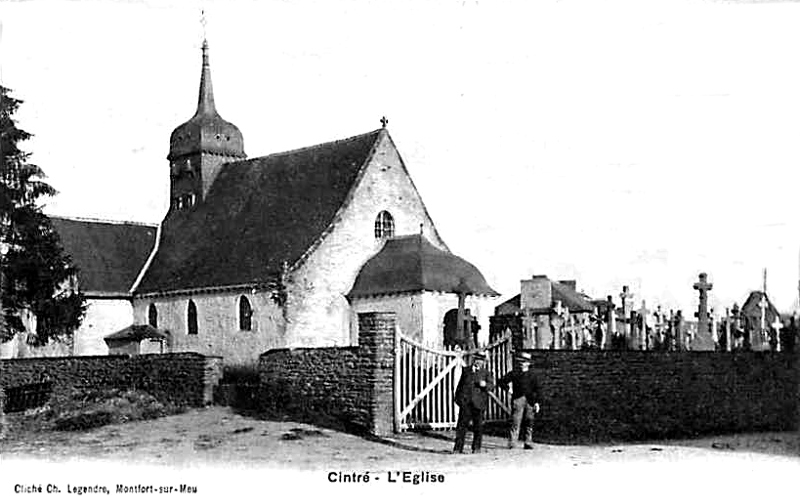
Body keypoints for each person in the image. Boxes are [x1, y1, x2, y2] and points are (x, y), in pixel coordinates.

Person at [497, 351, 541, 449]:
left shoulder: (533, 375)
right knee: (515, 421)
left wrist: (537, 402)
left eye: (524, 362)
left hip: (530, 400)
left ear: (529, 363)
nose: (522, 363)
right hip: (518, 399)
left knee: (529, 421)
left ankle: (528, 442)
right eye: (520, 361)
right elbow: (501, 382)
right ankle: (513, 442)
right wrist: (509, 390)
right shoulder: (514, 373)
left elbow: (538, 389)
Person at [453, 351, 494, 454]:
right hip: (466, 403)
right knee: (461, 427)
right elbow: (460, 386)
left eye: (481, 360)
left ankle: (476, 447)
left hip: (479, 403)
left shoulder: (486, 373)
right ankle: (458, 448)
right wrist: (458, 399)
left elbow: (491, 387)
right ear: (473, 360)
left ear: (484, 362)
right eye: (477, 359)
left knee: (478, 427)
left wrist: (485, 385)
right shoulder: (466, 371)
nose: (479, 362)